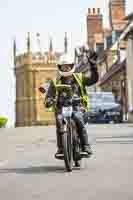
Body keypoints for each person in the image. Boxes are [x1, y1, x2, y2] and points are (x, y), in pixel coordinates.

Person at [44, 50, 99, 159]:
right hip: (61, 108)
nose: (66, 68)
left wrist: (93, 66)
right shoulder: (55, 82)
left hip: (77, 106)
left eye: (68, 66)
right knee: (59, 121)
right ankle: (60, 148)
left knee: (78, 118)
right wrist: (48, 101)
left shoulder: (79, 77)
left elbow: (93, 79)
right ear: (60, 67)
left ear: (72, 66)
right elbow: (49, 95)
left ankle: (86, 146)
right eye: (64, 67)